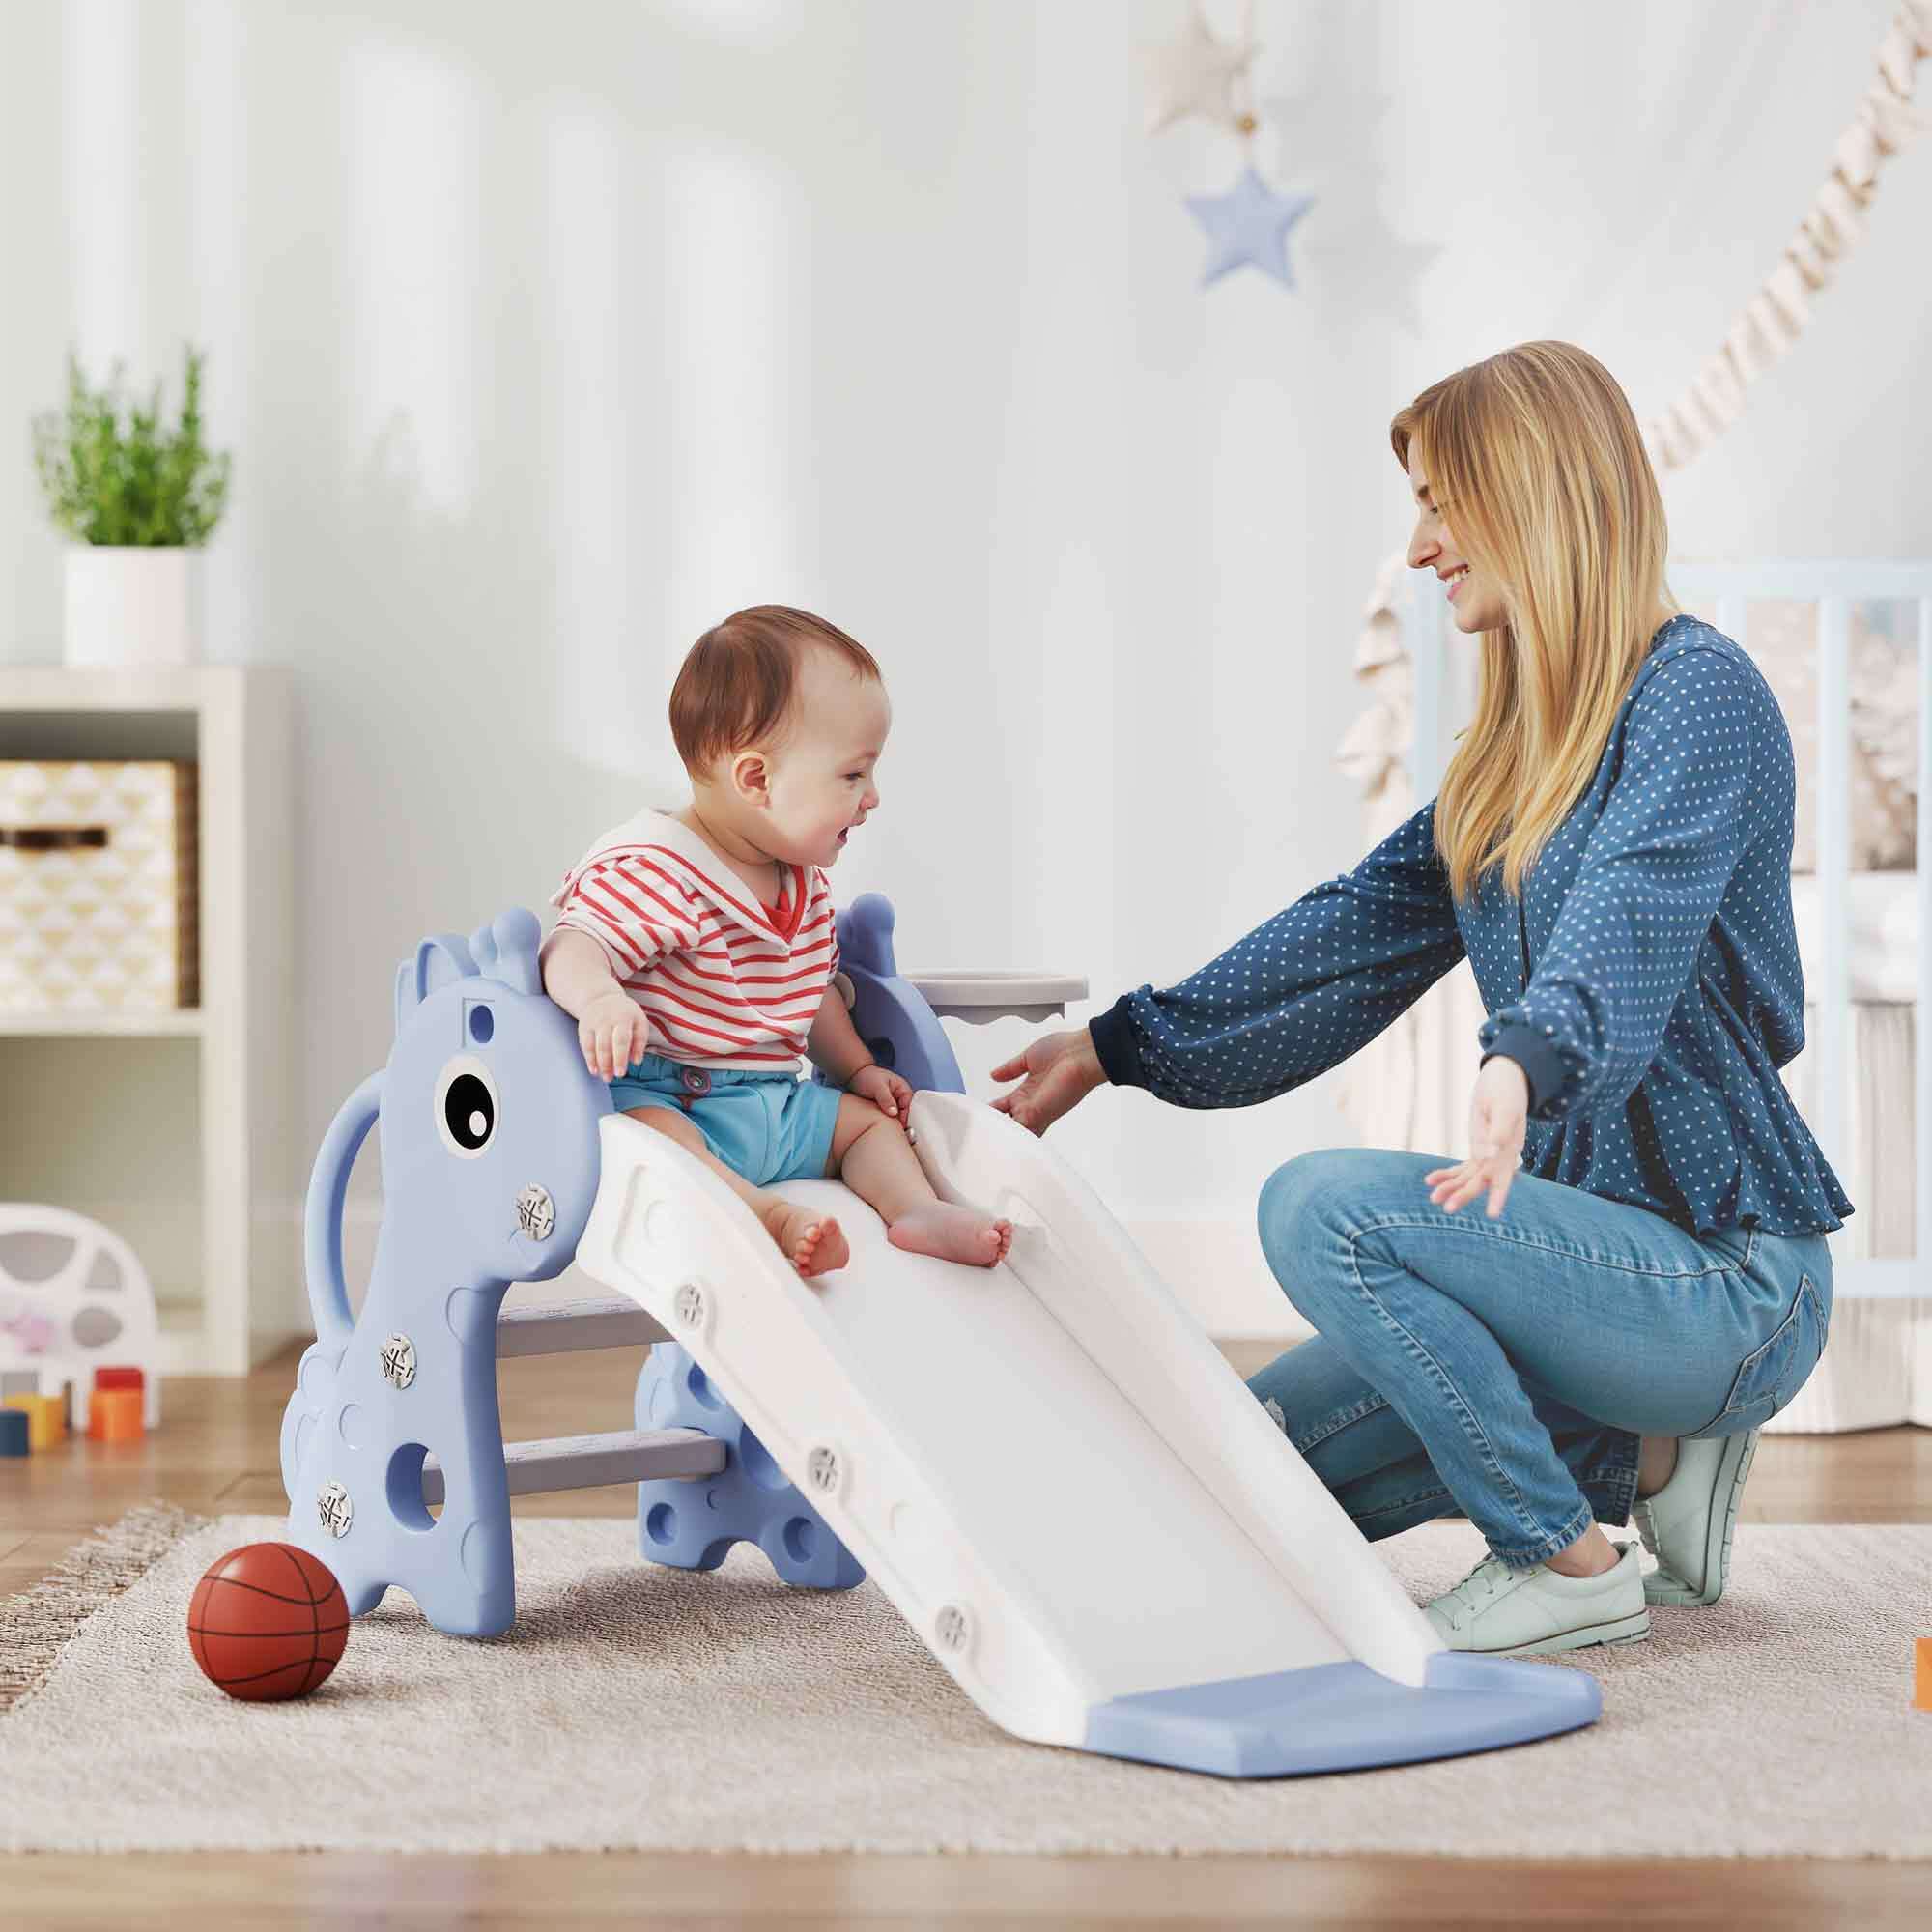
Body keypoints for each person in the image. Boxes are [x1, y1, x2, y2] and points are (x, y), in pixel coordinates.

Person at [987, 341, 1851, 1659]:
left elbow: (1634, 905)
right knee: (1231, 1479)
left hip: (1729, 1280)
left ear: (1535, 494)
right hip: (1575, 1276)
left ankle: (1565, 1559)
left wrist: (1528, 1056)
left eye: (1445, 502)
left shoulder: (1700, 696)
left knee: (1317, 1207)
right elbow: (1346, 942)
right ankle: (1657, 1457)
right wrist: (1116, 1047)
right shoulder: (1510, 758)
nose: (1422, 546)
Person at [542, 604, 1012, 1280]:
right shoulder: (655, 868)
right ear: (757, 779)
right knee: (646, 1140)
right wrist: (599, 1002)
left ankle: (914, 1210)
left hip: (776, 1106)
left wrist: (855, 1070)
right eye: (853, 775)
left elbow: (809, 996)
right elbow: (572, 945)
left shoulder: (803, 885)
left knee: (868, 1126)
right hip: (680, 1100)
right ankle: (761, 1215)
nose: (872, 797)